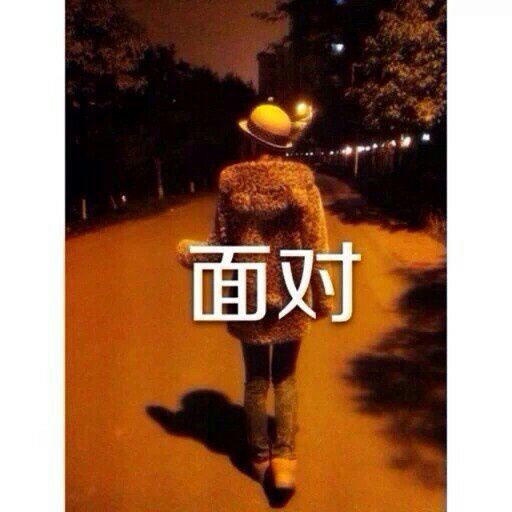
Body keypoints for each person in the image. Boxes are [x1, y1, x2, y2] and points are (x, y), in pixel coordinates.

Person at [177, 103, 332, 490]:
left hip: (248, 294)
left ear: (250, 140)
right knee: (286, 377)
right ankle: (286, 460)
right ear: (282, 145)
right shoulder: (302, 182)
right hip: (293, 290)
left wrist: (188, 253)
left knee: (256, 379)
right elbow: (316, 244)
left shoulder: (231, 182)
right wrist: (323, 295)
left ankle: (259, 457)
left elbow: (219, 247)